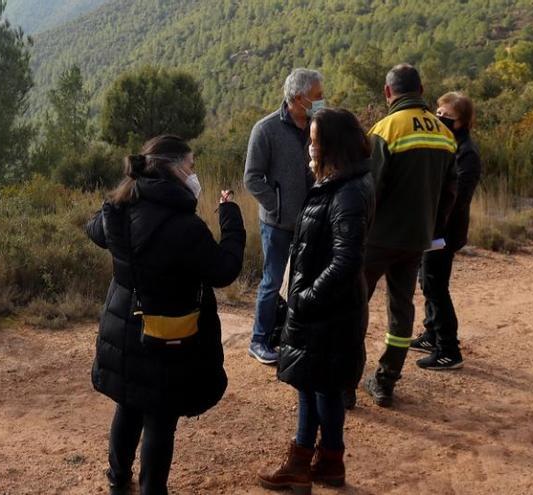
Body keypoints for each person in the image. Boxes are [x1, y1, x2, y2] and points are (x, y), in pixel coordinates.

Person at [86, 135, 245, 494]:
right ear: (173, 169)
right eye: (190, 166)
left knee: (128, 405)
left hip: (123, 328)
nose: (194, 174)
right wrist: (231, 218)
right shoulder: (184, 227)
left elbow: (95, 230)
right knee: (159, 417)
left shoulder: (121, 207)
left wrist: (115, 201)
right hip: (166, 336)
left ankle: (117, 481)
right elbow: (224, 270)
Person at [258, 108, 374, 493]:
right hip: (329, 310)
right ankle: (327, 463)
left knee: (315, 388)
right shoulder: (342, 184)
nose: (309, 146)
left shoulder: (347, 193)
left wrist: (305, 298)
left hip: (326, 312)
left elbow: (345, 260)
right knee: (319, 387)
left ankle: (302, 465)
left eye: (314, 140)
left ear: (332, 146)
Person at [359, 64, 457, 408]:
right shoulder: (444, 134)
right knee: (402, 309)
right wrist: (431, 227)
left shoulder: (386, 129)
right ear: (422, 88)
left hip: (378, 238)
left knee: (356, 304)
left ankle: (346, 382)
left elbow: (369, 192)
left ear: (388, 93)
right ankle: (386, 381)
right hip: (417, 239)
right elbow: (449, 193)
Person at [243, 68, 321, 364]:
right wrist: (276, 207)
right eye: (317, 96)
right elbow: (252, 178)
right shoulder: (265, 129)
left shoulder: (318, 126)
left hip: (312, 220)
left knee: (305, 281)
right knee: (272, 282)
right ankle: (258, 341)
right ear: (299, 97)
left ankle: (295, 336)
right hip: (276, 224)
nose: (322, 101)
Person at [410, 92, 482, 370]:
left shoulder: (467, 153)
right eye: (438, 112)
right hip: (432, 228)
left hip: (444, 232)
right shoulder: (447, 144)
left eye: (447, 116)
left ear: (463, 122)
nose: (439, 118)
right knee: (427, 281)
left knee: (435, 286)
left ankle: (448, 349)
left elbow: (456, 197)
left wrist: (433, 226)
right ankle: (432, 333)